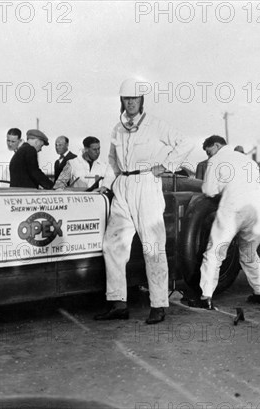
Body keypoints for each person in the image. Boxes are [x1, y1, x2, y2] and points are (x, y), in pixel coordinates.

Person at [94, 78, 192, 324]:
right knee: (112, 246)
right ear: (122, 101)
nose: (131, 103)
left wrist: (166, 166)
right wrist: (105, 186)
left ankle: (158, 304)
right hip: (123, 187)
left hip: (146, 185)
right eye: (127, 99)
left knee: (152, 246)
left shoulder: (155, 125)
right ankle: (118, 303)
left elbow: (185, 143)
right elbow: (112, 162)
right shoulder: (117, 129)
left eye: (135, 99)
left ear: (142, 100)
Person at [188, 135, 260, 309]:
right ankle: (259, 294)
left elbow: (209, 190)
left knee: (214, 253)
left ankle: (205, 297)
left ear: (216, 146)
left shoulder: (217, 160)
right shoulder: (250, 162)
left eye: (208, 151)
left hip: (233, 210)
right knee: (250, 254)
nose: (208, 155)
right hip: (256, 212)